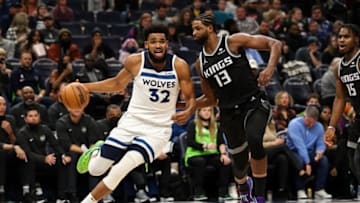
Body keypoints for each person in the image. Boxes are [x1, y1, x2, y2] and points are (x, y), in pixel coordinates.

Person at [76, 24, 195, 203]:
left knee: (121, 169)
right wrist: (84, 87)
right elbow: (117, 84)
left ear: (167, 44)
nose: (158, 45)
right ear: (146, 44)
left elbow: (190, 98)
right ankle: (97, 150)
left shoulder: (179, 66)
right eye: (153, 41)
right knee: (95, 169)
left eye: (162, 41)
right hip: (131, 122)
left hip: (158, 130)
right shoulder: (135, 61)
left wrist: (188, 110)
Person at [191, 13, 282, 203]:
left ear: (210, 28)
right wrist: (187, 105)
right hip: (228, 112)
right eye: (192, 29)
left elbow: (275, 44)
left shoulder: (232, 41)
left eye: (197, 28)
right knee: (239, 164)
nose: (194, 33)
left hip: (253, 102)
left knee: (255, 138)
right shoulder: (200, 64)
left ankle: (259, 196)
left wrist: (269, 69)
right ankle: (243, 188)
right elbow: (210, 98)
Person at [324, 23, 360, 201]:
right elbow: (339, 99)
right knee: (352, 159)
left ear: (357, 39)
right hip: (358, 118)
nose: (341, 40)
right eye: (339, 37)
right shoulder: (339, 67)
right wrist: (331, 127)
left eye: (346, 36)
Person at [16, 106, 69, 202]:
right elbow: (27, 153)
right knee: (28, 159)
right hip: (32, 162)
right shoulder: (22, 133)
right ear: (25, 119)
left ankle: (62, 196)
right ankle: (32, 194)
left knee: (62, 161)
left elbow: (55, 144)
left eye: (36, 115)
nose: (33, 118)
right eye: (31, 116)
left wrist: (63, 155)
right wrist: (44, 159)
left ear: (39, 117)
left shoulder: (45, 129)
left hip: (46, 161)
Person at [184, 106, 232, 201]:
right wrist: (204, 146)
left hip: (211, 154)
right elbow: (189, 141)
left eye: (209, 110)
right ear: (199, 112)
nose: (207, 112)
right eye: (204, 110)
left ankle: (223, 192)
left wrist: (224, 154)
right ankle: (198, 192)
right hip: (195, 154)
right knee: (200, 162)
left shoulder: (216, 126)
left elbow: (221, 142)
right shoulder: (193, 125)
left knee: (225, 162)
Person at [287, 106, 332, 200]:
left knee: (324, 160)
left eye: (313, 122)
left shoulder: (319, 126)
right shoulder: (294, 124)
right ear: (304, 116)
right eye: (308, 121)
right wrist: (307, 163)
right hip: (294, 151)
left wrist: (320, 151)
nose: (310, 125)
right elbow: (300, 146)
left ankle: (319, 189)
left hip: (310, 151)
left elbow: (321, 143)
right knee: (299, 160)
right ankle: (300, 189)